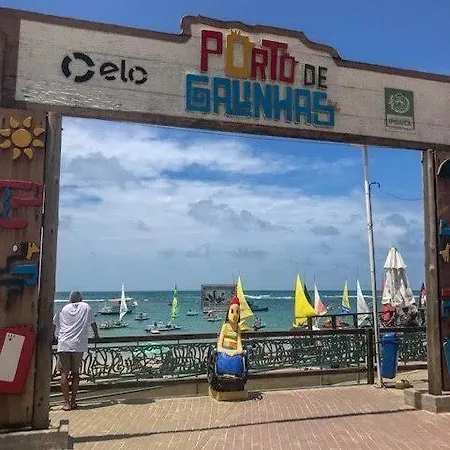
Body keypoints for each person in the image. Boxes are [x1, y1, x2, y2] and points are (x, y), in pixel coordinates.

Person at [53, 291, 99, 410]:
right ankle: (73, 401)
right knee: (75, 373)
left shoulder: (63, 309)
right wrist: (96, 336)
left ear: (70, 299)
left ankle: (66, 403)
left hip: (64, 344)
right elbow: (93, 324)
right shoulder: (86, 307)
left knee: (64, 373)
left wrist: (53, 336)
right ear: (81, 299)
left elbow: (54, 324)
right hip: (78, 344)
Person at [216, 296, 244, 376]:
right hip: (225, 350)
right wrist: (223, 350)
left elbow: (239, 342)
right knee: (223, 359)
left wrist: (237, 351)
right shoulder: (225, 326)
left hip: (235, 351)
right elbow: (220, 342)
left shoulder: (238, 328)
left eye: (237, 312)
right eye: (232, 311)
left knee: (237, 361)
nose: (235, 315)